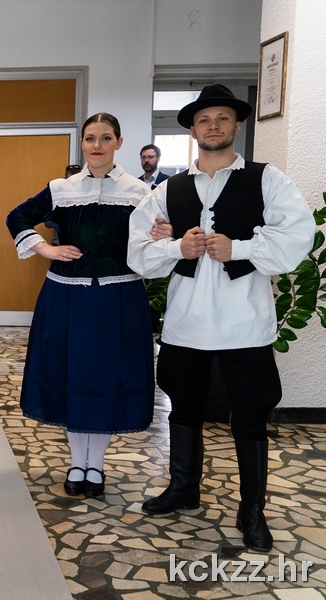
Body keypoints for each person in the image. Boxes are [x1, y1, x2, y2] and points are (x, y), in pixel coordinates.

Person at [127, 84, 315, 552]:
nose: (213, 126)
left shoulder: (266, 179)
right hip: (186, 323)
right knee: (184, 408)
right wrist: (177, 247)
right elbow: (137, 251)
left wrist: (241, 248)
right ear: (192, 130)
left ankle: (252, 512)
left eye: (222, 118)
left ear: (237, 125)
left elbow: (298, 237)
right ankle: (183, 489)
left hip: (244, 324)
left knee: (250, 416)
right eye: (204, 120)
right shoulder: (168, 190)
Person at [6, 113, 155, 499]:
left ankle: (96, 465)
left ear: (119, 142)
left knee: (105, 379)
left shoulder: (140, 192)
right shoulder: (61, 189)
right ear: (82, 143)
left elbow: (156, 235)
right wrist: (46, 249)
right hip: (67, 297)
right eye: (90, 138)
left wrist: (163, 233)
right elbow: (17, 217)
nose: (97, 146)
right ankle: (76, 463)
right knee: (73, 376)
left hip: (118, 299)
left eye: (105, 138)